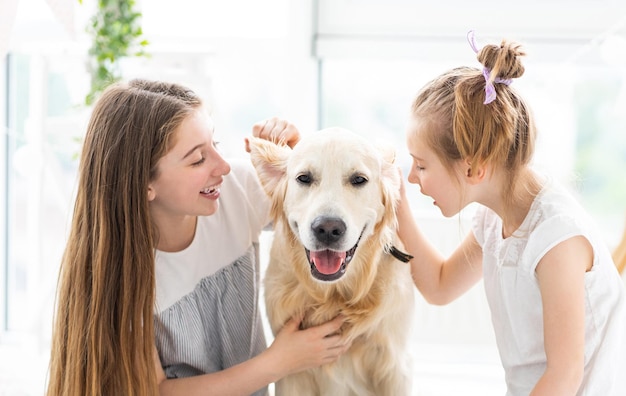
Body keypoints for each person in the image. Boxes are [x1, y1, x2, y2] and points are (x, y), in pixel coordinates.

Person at [47, 79, 349, 396]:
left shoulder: (237, 190)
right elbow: (154, 391)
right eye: (197, 159)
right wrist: (279, 362)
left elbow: (321, 219)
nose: (223, 166)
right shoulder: (118, 273)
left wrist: (300, 162)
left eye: (215, 145)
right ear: (144, 184)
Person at [396, 31, 626, 395]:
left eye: (421, 166)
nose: (412, 178)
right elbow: (439, 286)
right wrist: (396, 203)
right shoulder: (494, 217)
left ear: (473, 170)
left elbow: (565, 377)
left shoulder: (556, 238)